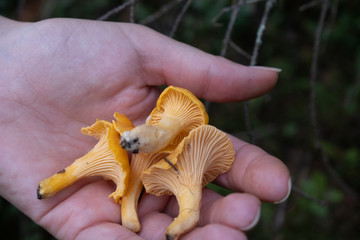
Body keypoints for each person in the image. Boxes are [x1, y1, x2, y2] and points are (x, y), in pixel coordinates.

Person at [0, 16, 290, 240]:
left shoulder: (174, 129)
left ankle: (183, 218)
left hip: (168, 142)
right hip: (137, 151)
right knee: (125, 169)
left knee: (158, 166)